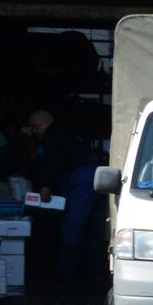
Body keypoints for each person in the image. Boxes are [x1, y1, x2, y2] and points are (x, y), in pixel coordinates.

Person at [27, 109, 105, 279]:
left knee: (72, 225)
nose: (34, 131)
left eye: (36, 126)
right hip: (94, 178)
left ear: (47, 122)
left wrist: (46, 187)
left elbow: (55, 161)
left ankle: (64, 272)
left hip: (82, 181)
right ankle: (93, 272)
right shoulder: (65, 134)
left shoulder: (52, 135)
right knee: (94, 227)